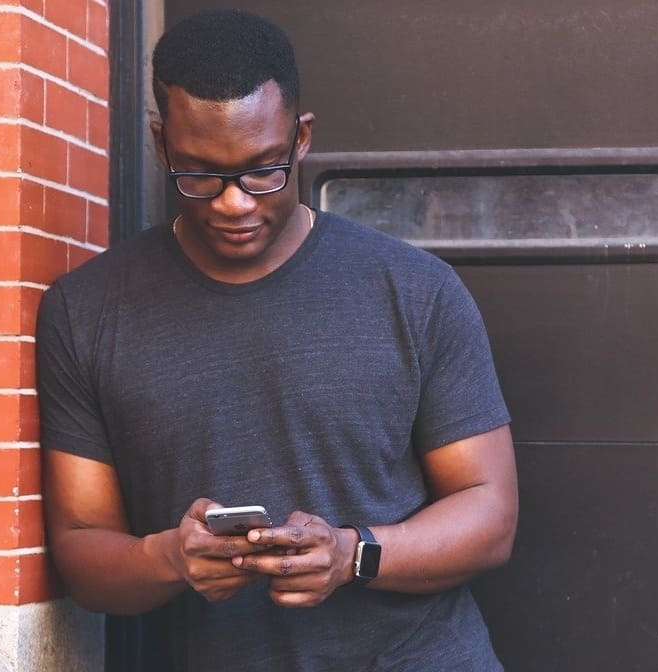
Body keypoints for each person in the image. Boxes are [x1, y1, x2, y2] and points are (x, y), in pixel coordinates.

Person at [36, 8, 518, 671]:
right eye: (200, 174)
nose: (234, 203)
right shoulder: (86, 311)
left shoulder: (414, 291)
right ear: (160, 144)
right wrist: (168, 559)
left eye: (262, 170)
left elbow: (489, 514)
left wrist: (353, 554)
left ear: (300, 139)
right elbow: (83, 551)